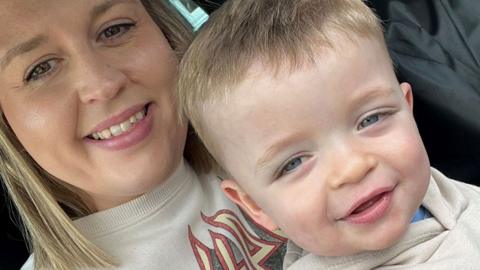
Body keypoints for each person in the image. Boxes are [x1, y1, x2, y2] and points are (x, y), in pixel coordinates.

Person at [177, 0, 480, 269]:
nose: (352, 168)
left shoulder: (437, 191)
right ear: (255, 205)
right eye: (293, 163)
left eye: (371, 119)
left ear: (407, 108)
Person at [0, 0, 286, 269]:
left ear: (165, 31)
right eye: (39, 70)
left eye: (115, 29)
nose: (102, 84)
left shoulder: (290, 132)